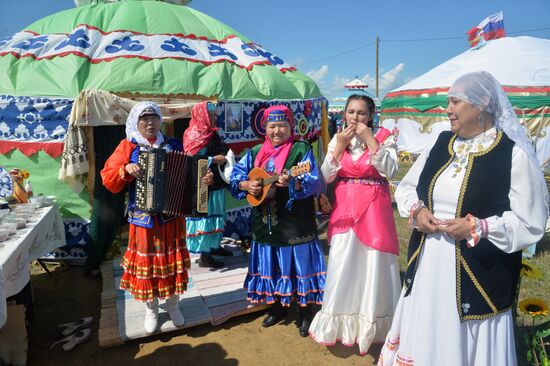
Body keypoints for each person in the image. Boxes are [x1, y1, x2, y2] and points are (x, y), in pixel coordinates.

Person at [378, 71, 548, 366]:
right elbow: (407, 188)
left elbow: (531, 222)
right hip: (430, 263)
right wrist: (418, 212)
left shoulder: (511, 154)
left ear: (480, 105)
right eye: (448, 102)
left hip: (479, 272)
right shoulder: (441, 142)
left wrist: (477, 227)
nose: (448, 109)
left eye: (455, 102)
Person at [309, 94, 401, 354]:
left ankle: (373, 324)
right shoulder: (339, 139)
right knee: (343, 259)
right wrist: (339, 147)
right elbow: (326, 176)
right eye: (351, 112)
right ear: (345, 114)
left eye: (361, 113)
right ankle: (340, 324)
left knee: (374, 262)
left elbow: (390, 170)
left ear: (370, 115)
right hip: (345, 208)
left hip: (375, 207)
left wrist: (371, 140)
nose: (355, 118)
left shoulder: (385, 137)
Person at [230, 105, 325, 337]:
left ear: (290, 126)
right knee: (272, 268)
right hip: (265, 225)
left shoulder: (300, 150)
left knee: (298, 267)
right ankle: (278, 308)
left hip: (296, 226)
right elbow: (236, 178)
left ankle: (305, 312)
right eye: (272, 126)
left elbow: (314, 181)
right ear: (265, 128)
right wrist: (246, 185)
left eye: (282, 125)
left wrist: (295, 183)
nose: (277, 131)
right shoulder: (254, 151)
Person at [101, 102, 191, 334]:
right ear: (136, 122)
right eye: (144, 119)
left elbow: (189, 175)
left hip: (171, 218)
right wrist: (126, 169)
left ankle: (173, 305)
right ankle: (151, 309)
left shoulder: (173, 144)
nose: (150, 123)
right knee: (148, 267)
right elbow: (108, 176)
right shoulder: (128, 146)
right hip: (143, 221)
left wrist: (202, 179)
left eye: (154, 118)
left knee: (171, 265)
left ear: (161, 120)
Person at [183, 101, 235, 268]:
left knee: (217, 214)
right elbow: (190, 161)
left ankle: (214, 246)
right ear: (201, 116)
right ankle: (205, 256)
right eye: (210, 115)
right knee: (206, 216)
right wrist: (214, 159)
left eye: (214, 115)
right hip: (203, 184)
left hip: (216, 182)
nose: (214, 118)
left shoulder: (211, 133)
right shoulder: (194, 134)